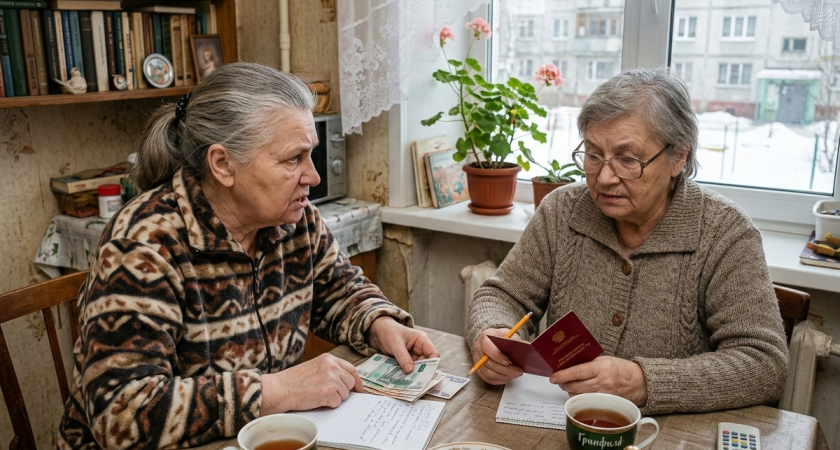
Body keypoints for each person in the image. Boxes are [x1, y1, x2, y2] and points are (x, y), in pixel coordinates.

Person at [57, 62, 438, 449]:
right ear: (223, 165)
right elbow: (121, 415)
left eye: (311, 155)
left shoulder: (296, 219)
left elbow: (338, 288)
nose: (313, 176)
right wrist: (277, 390)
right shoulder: (143, 245)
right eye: (294, 159)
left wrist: (380, 323)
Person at [466, 66, 789, 415]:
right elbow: (502, 294)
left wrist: (642, 381)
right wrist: (492, 333)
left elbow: (764, 364)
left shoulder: (725, 233)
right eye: (593, 155)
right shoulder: (562, 210)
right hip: (563, 422)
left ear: (678, 156)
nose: (604, 178)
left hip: (666, 434)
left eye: (627, 159)